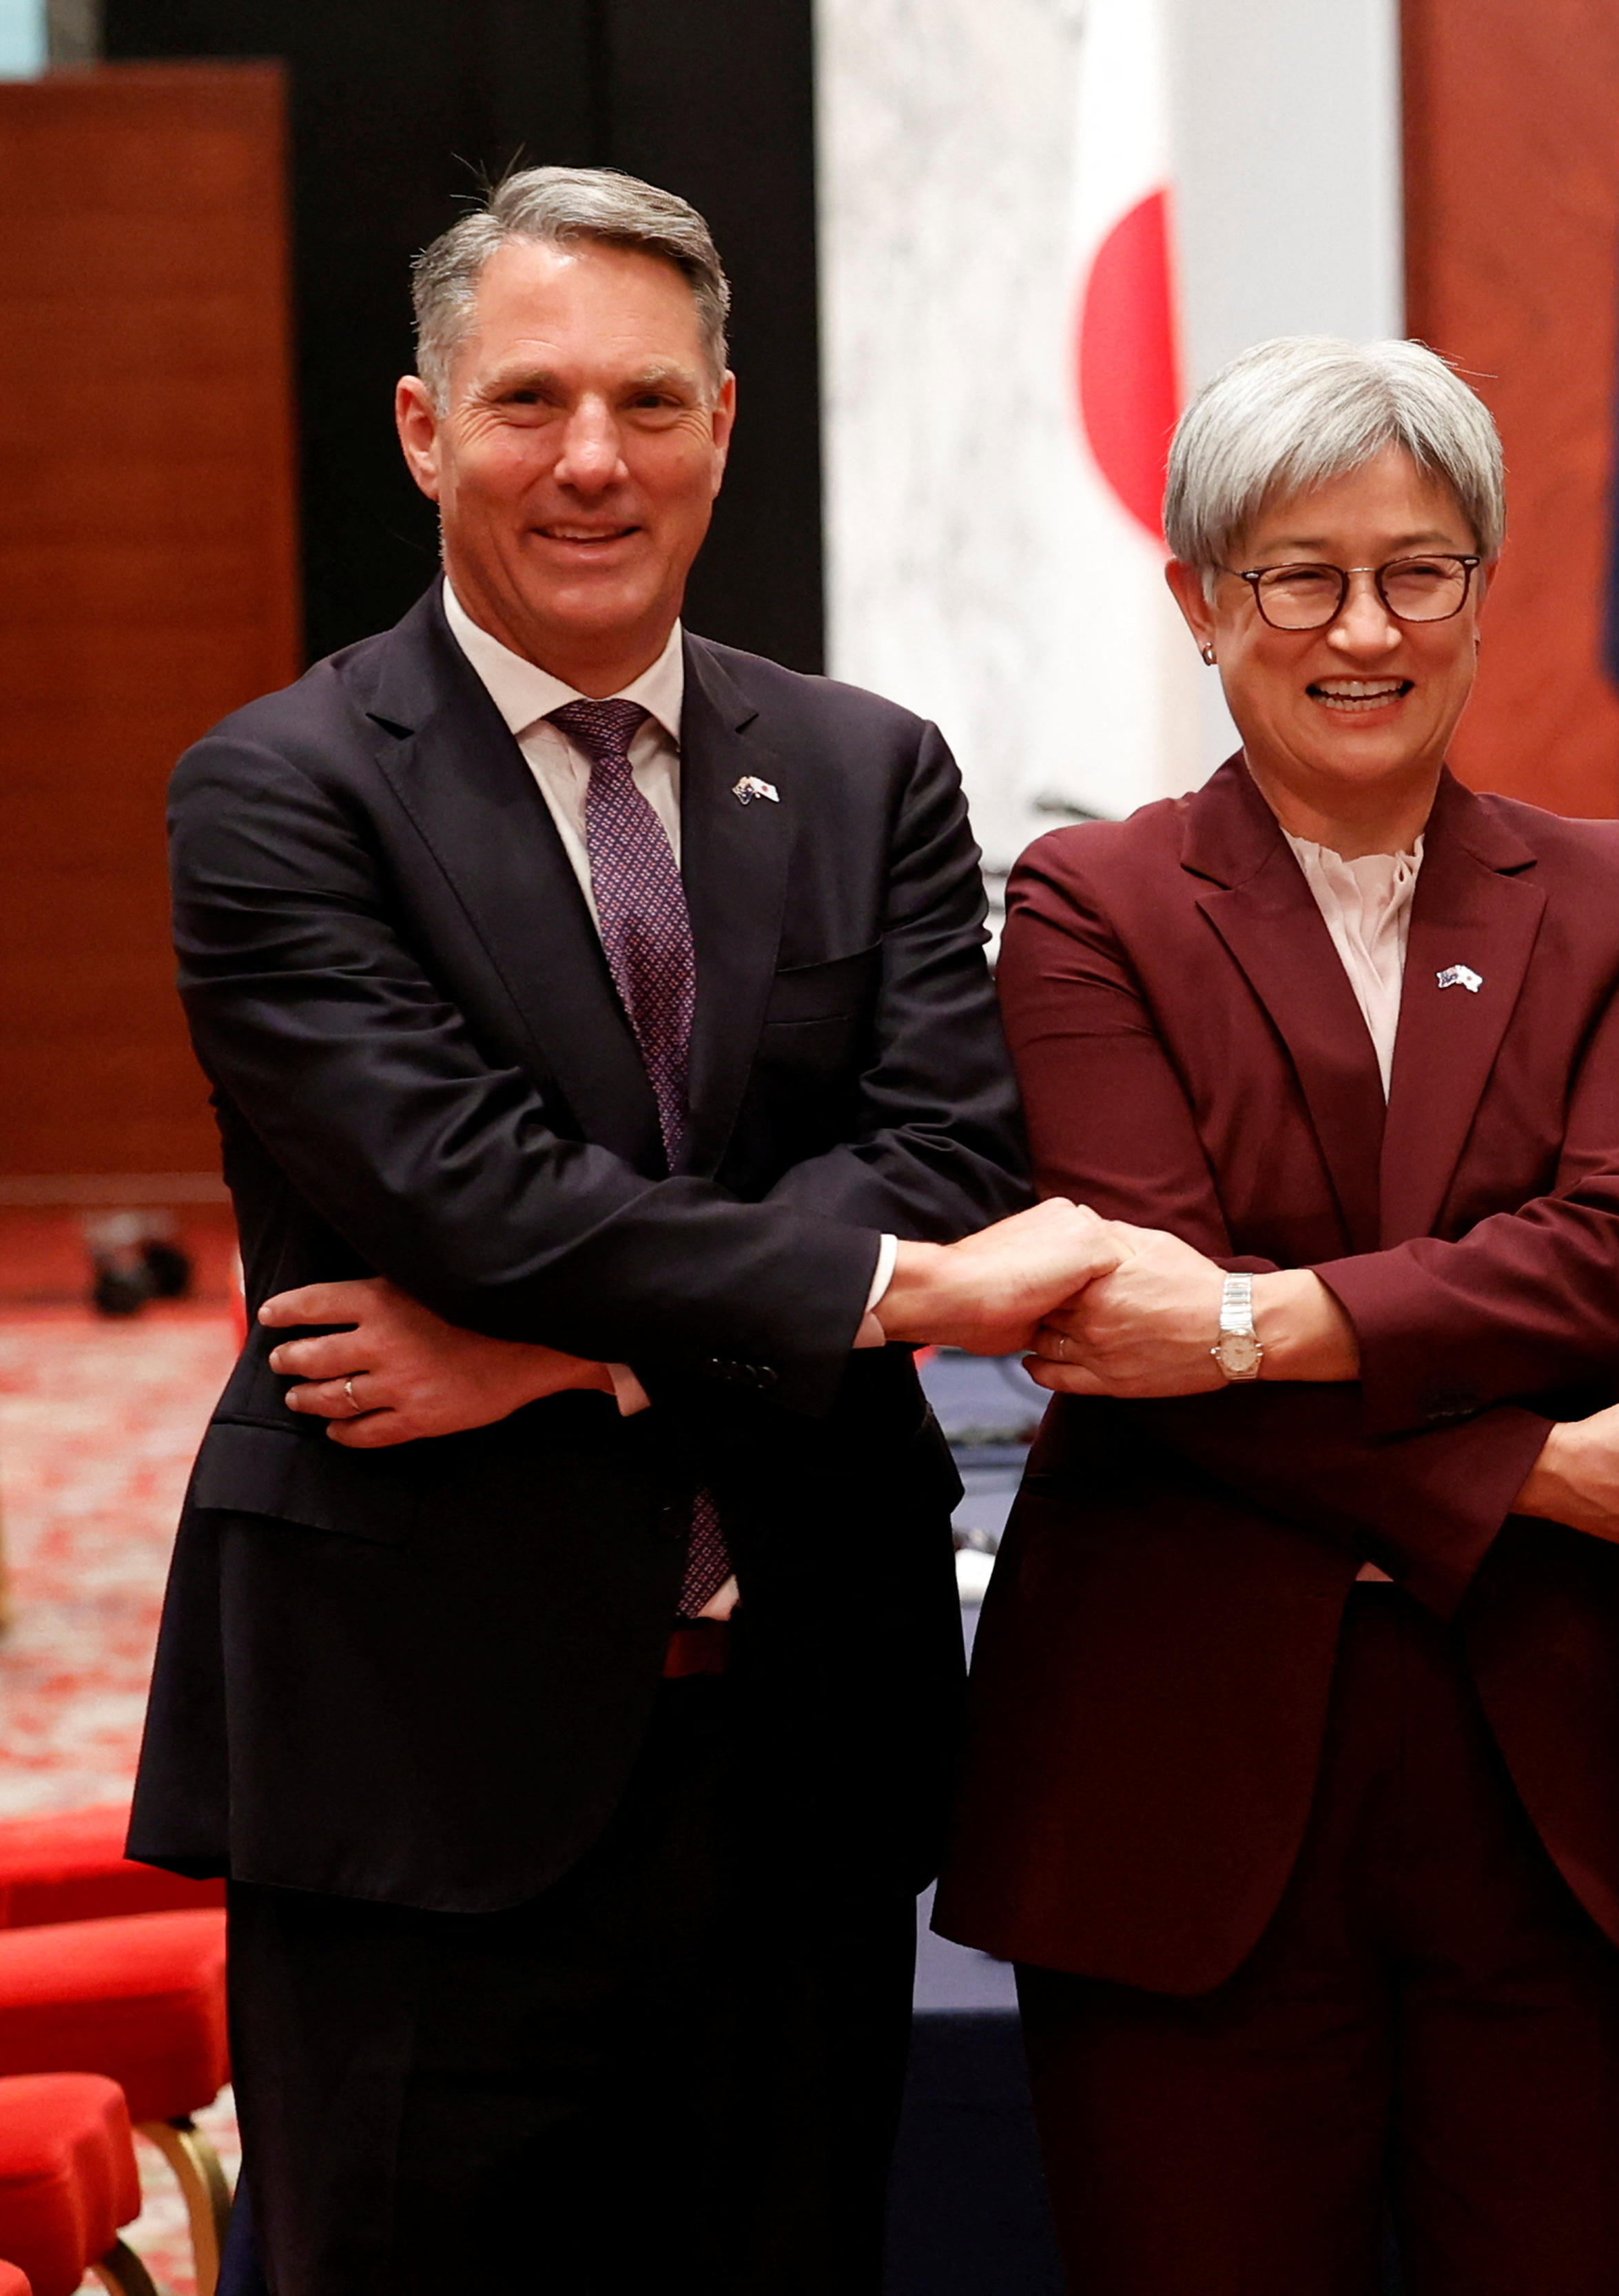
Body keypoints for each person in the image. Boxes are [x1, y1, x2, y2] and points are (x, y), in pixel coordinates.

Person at [133, 167, 1115, 2293]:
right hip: (422, 1759)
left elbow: (942, 1154)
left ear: (726, 425)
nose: (596, 460)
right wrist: (877, 1301)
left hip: (801, 1756)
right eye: (532, 401)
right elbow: (465, 1193)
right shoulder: (280, 790)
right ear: (422, 428)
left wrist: (580, 1354)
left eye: (650, 402)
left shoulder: (872, 772)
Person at [928, 335, 1619, 2296]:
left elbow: (1610, 1257)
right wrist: (1536, 1468)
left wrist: (1264, 1325)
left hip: (1554, 1785)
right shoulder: (1088, 902)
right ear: (1203, 600)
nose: (1363, 626)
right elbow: (1132, 1319)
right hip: (1173, 1775)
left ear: (1480, 589)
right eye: (1299, 574)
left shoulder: (1612, 891)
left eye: (1417, 569)